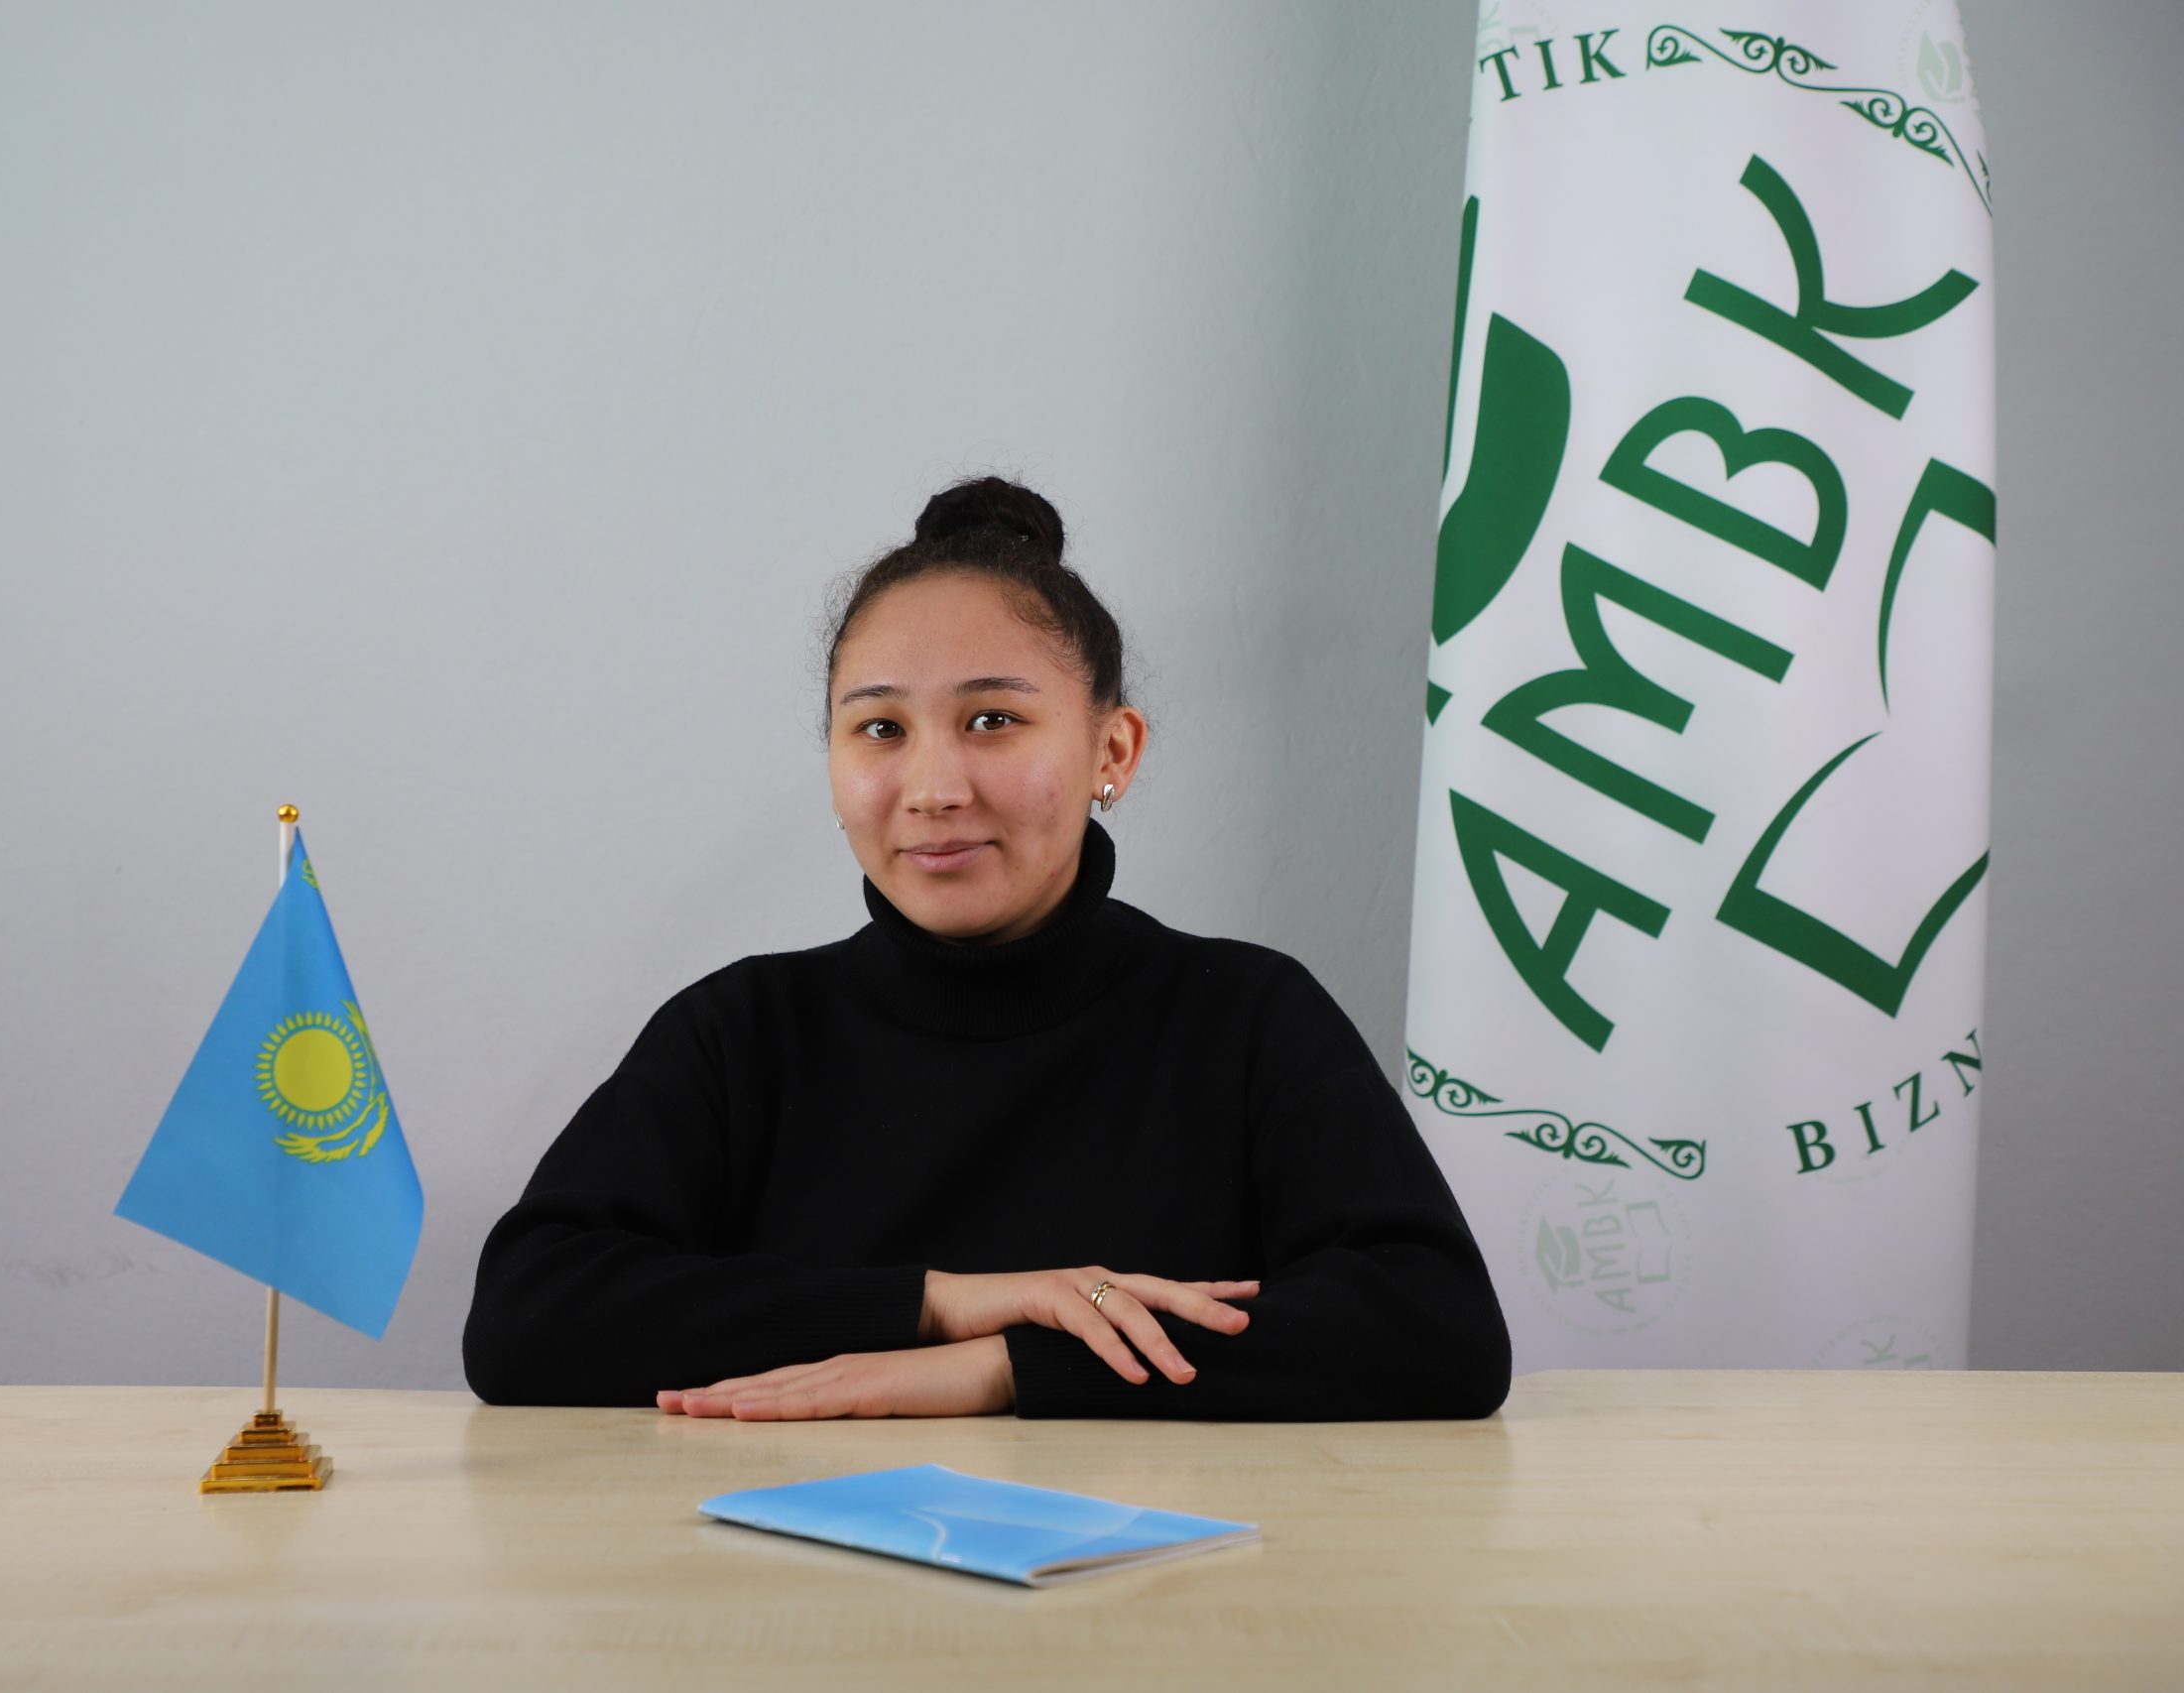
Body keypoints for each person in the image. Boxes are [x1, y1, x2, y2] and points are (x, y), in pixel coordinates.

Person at [463, 474, 1512, 1421]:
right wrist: (940, 1305)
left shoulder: (1245, 1014)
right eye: (880, 729)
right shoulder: (741, 1030)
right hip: (786, 1569)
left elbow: (1436, 1326)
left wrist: (1004, 1367)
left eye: (993, 720)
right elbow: (527, 1315)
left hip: (1157, 1571)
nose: (932, 789)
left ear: (1111, 750)